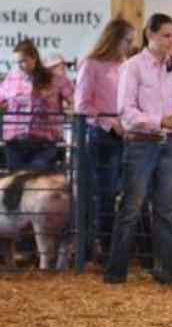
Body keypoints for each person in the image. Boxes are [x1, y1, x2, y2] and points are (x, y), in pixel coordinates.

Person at [103, 13, 172, 285]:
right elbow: (126, 112)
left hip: (167, 144)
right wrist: (159, 121)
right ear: (150, 34)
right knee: (132, 208)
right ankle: (115, 272)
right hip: (141, 143)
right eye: (166, 35)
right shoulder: (133, 66)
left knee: (166, 209)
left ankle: (168, 272)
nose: (171, 41)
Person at [75, 17, 136, 261]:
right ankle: (107, 251)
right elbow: (82, 105)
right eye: (127, 41)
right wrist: (110, 123)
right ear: (115, 39)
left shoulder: (128, 65)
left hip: (129, 136)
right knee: (107, 195)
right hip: (103, 137)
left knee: (130, 195)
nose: (130, 46)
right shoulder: (91, 65)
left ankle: (123, 249)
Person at [0, 39, 74, 172]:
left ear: (34, 57)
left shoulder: (56, 79)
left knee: (38, 181)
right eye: (16, 62)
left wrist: (67, 108)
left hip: (44, 139)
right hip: (15, 139)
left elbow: (75, 100)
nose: (20, 66)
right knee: (17, 183)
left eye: (23, 61)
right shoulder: (11, 78)